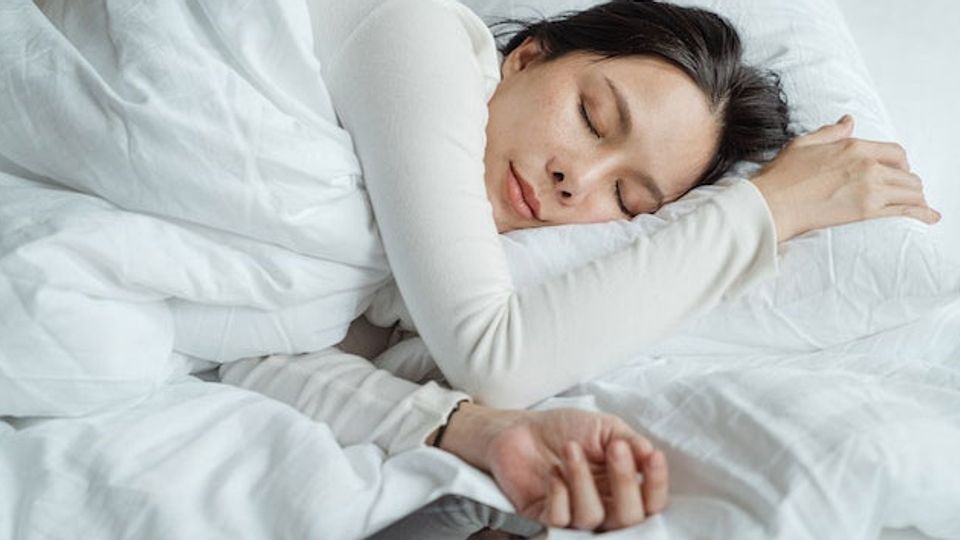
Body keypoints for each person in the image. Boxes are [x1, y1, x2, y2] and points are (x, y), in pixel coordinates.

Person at [221, 0, 940, 535]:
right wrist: (766, 210)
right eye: (593, 118)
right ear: (528, 56)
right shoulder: (413, 32)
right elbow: (495, 357)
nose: (578, 179)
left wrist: (474, 432)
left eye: (627, 198)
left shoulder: (390, 274)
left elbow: (249, 360)